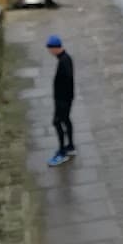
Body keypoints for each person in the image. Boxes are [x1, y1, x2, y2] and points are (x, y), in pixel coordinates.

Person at [46, 35, 75, 166]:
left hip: (63, 99)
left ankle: (62, 152)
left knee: (57, 122)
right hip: (65, 98)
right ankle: (70, 146)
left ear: (55, 48)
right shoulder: (64, 58)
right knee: (66, 120)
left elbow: (68, 78)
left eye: (50, 49)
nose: (49, 52)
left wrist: (62, 98)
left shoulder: (64, 60)